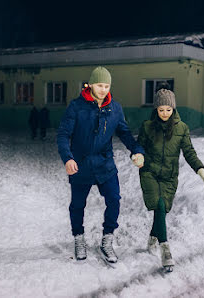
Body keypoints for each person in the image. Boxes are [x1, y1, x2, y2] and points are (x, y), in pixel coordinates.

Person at [57, 66, 145, 262]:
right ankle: (79, 238)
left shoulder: (115, 108)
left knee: (114, 199)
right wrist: (68, 158)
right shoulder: (76, 107)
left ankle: (107, 239)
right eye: (99, 85)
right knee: (78, 204)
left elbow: (124, 132)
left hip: (105, 164)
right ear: (90, 85)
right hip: (80, 164)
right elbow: (63, 134)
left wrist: (137, 150)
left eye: (106, 85)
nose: (103, 89)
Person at [137, 88, 204, 271]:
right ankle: (165, 248)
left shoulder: (182, 128)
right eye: (161, 110)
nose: (164, 113)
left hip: (169, 176)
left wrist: (200, 169)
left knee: (162, 209)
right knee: (159, 205)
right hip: (149, 173)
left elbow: (189, 152)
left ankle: (154, 235)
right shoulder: (147, 126)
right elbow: (139, 147)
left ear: (173, 109)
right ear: (156, 109)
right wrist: (137, 155)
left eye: (168, 110)